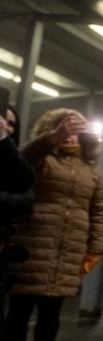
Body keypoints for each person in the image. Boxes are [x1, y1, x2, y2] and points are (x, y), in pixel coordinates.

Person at [1, 109, 103, 341]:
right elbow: (22, 158)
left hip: (67, 252)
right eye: (63, 131)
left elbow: (98, 212)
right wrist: (51, 140)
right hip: (32, 246)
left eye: (74, 133)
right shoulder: (41, 160)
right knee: (19, 313)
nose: (69, 137)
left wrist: (95, 248)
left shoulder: (91, 172)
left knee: (51, 316)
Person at [0, 106, 33, 333]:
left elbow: (24, 197)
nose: (7, 127)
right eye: (4, 122)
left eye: (11, 124)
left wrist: (3, 141)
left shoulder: (13, 158)